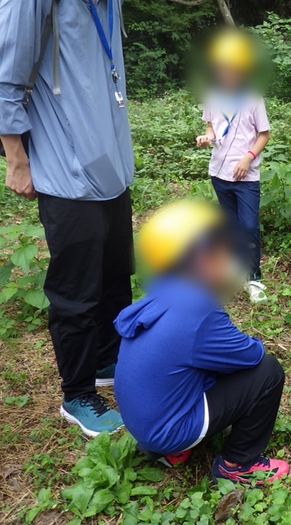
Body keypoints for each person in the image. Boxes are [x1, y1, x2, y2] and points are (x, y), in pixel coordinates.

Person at [0, 0, 134, 435]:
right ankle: (77, 394)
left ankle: (107, 362)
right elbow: (4, 78)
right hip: (67, 172)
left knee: (116, 278)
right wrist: (16, 159)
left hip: (113, 166)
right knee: (77, 294)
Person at [113, 200, 289, 483]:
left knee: (201, 365)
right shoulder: (199, 311)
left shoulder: (164, 290)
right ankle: (236, 464)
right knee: (268, 371)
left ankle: (173, 451)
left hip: (142, 424)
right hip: (166, 431)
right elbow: (252, 355)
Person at [196, 29, 270, 303]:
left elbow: (264, 134)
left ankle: (254, 278)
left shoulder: (254, 100)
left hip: (246, 176)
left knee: (249, 227)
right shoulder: (212, 97)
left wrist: (248, 157)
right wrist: (207, 137)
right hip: (219, 173)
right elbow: (211, 127)